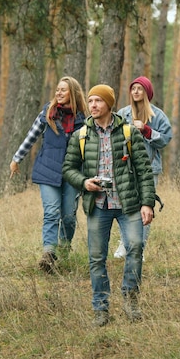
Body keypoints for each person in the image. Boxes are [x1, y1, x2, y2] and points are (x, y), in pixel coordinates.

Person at [62, 84, 155, 327]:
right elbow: (68, 168)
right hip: (97, 206)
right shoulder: (81, 135)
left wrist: (147, 203)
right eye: (90, 101)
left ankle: (130, 300)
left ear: (109, 104)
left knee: (135, 247)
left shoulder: (128, 132)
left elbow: (145, 171)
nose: (93, 105)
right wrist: (84, 182)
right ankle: (101, 309)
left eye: (98, 101)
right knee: (96, 258)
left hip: (128, 204)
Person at [10, 76, 87, 273]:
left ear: (73, 93)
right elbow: (31, 136)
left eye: (63, 90)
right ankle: (49, 253)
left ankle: (63, 250)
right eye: (57, 90)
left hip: (72, 173)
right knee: (52, 212)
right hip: (48, 169)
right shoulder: (48, 113)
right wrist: (17, 158)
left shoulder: (83, 119)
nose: (58, 93)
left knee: (69, 216)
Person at [114, 76, 172, 260]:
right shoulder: (123, 114)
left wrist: (147, 130)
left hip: (149, 168)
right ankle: (124, 243)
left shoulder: (158, 115)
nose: (136, 92)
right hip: (125, 167)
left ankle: (140, 249)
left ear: (147, 92)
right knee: (125, 206)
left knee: (145, 208)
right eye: (133, 88)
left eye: (140, 89)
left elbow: (166, 139)